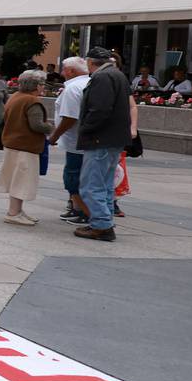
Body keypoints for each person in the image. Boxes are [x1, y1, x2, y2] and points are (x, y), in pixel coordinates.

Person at [74, 45, 132, 243]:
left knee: (91, 184)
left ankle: (101, 225)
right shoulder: (117, 75)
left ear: (90, 62)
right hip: (113, 139)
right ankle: (104, 220)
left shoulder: (102, 77)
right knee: (105, 184)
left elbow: (99, 109)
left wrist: (86, 129)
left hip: (100, 139)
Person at [0, 69, 52, 226]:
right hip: (25, 146)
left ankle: (17, 211)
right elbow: (37, 125)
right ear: (35, 85)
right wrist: (51, 127)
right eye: (42, 83)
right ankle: (13, 213)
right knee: (21, 181)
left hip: (13, 143)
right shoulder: (32, 101)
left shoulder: (15, 97)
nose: (43, 86)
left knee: (17, 179)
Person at [46, 56, 92, 226]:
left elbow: (69, 118)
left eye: (64, 69)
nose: (62, 72)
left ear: (72, 71)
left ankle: (86, 213)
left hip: (75, 142)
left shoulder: (73, 88)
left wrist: (54, 136)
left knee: (73, 178)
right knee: (81, 177)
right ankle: (78, 209)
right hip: (85, 140)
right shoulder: (87, 83)